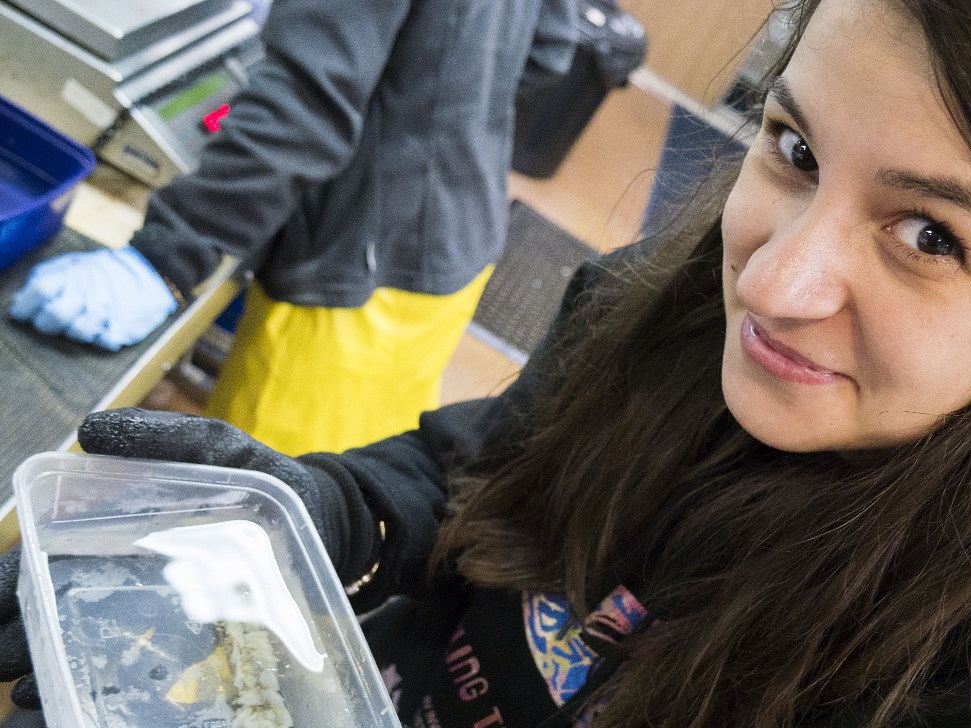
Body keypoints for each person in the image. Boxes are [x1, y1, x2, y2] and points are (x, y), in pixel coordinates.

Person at [1, 0, 971, 728]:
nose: (775, 282)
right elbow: (481, 472)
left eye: (929, 234)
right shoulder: (678, 312)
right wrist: (328, 519)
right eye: (793, 149)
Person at [7, 0, 579, 456]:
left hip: (349, 275)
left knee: (251, 519)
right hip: (458, 241)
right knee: (359, 478)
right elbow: (550, 50)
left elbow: (307, 106)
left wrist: (167, 259)